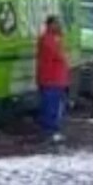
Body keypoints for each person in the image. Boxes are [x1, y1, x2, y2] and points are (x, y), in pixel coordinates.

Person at [36, 15, 70, 143]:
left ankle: (51, 131)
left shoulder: (54, 39)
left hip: (56, 79)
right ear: (49, 25)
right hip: (51, 79)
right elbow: (58, 55)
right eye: (56, 23)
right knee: (51, 107)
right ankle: (50, 132)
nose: (59, 26)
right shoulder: (48, 40)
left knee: (54, 106)